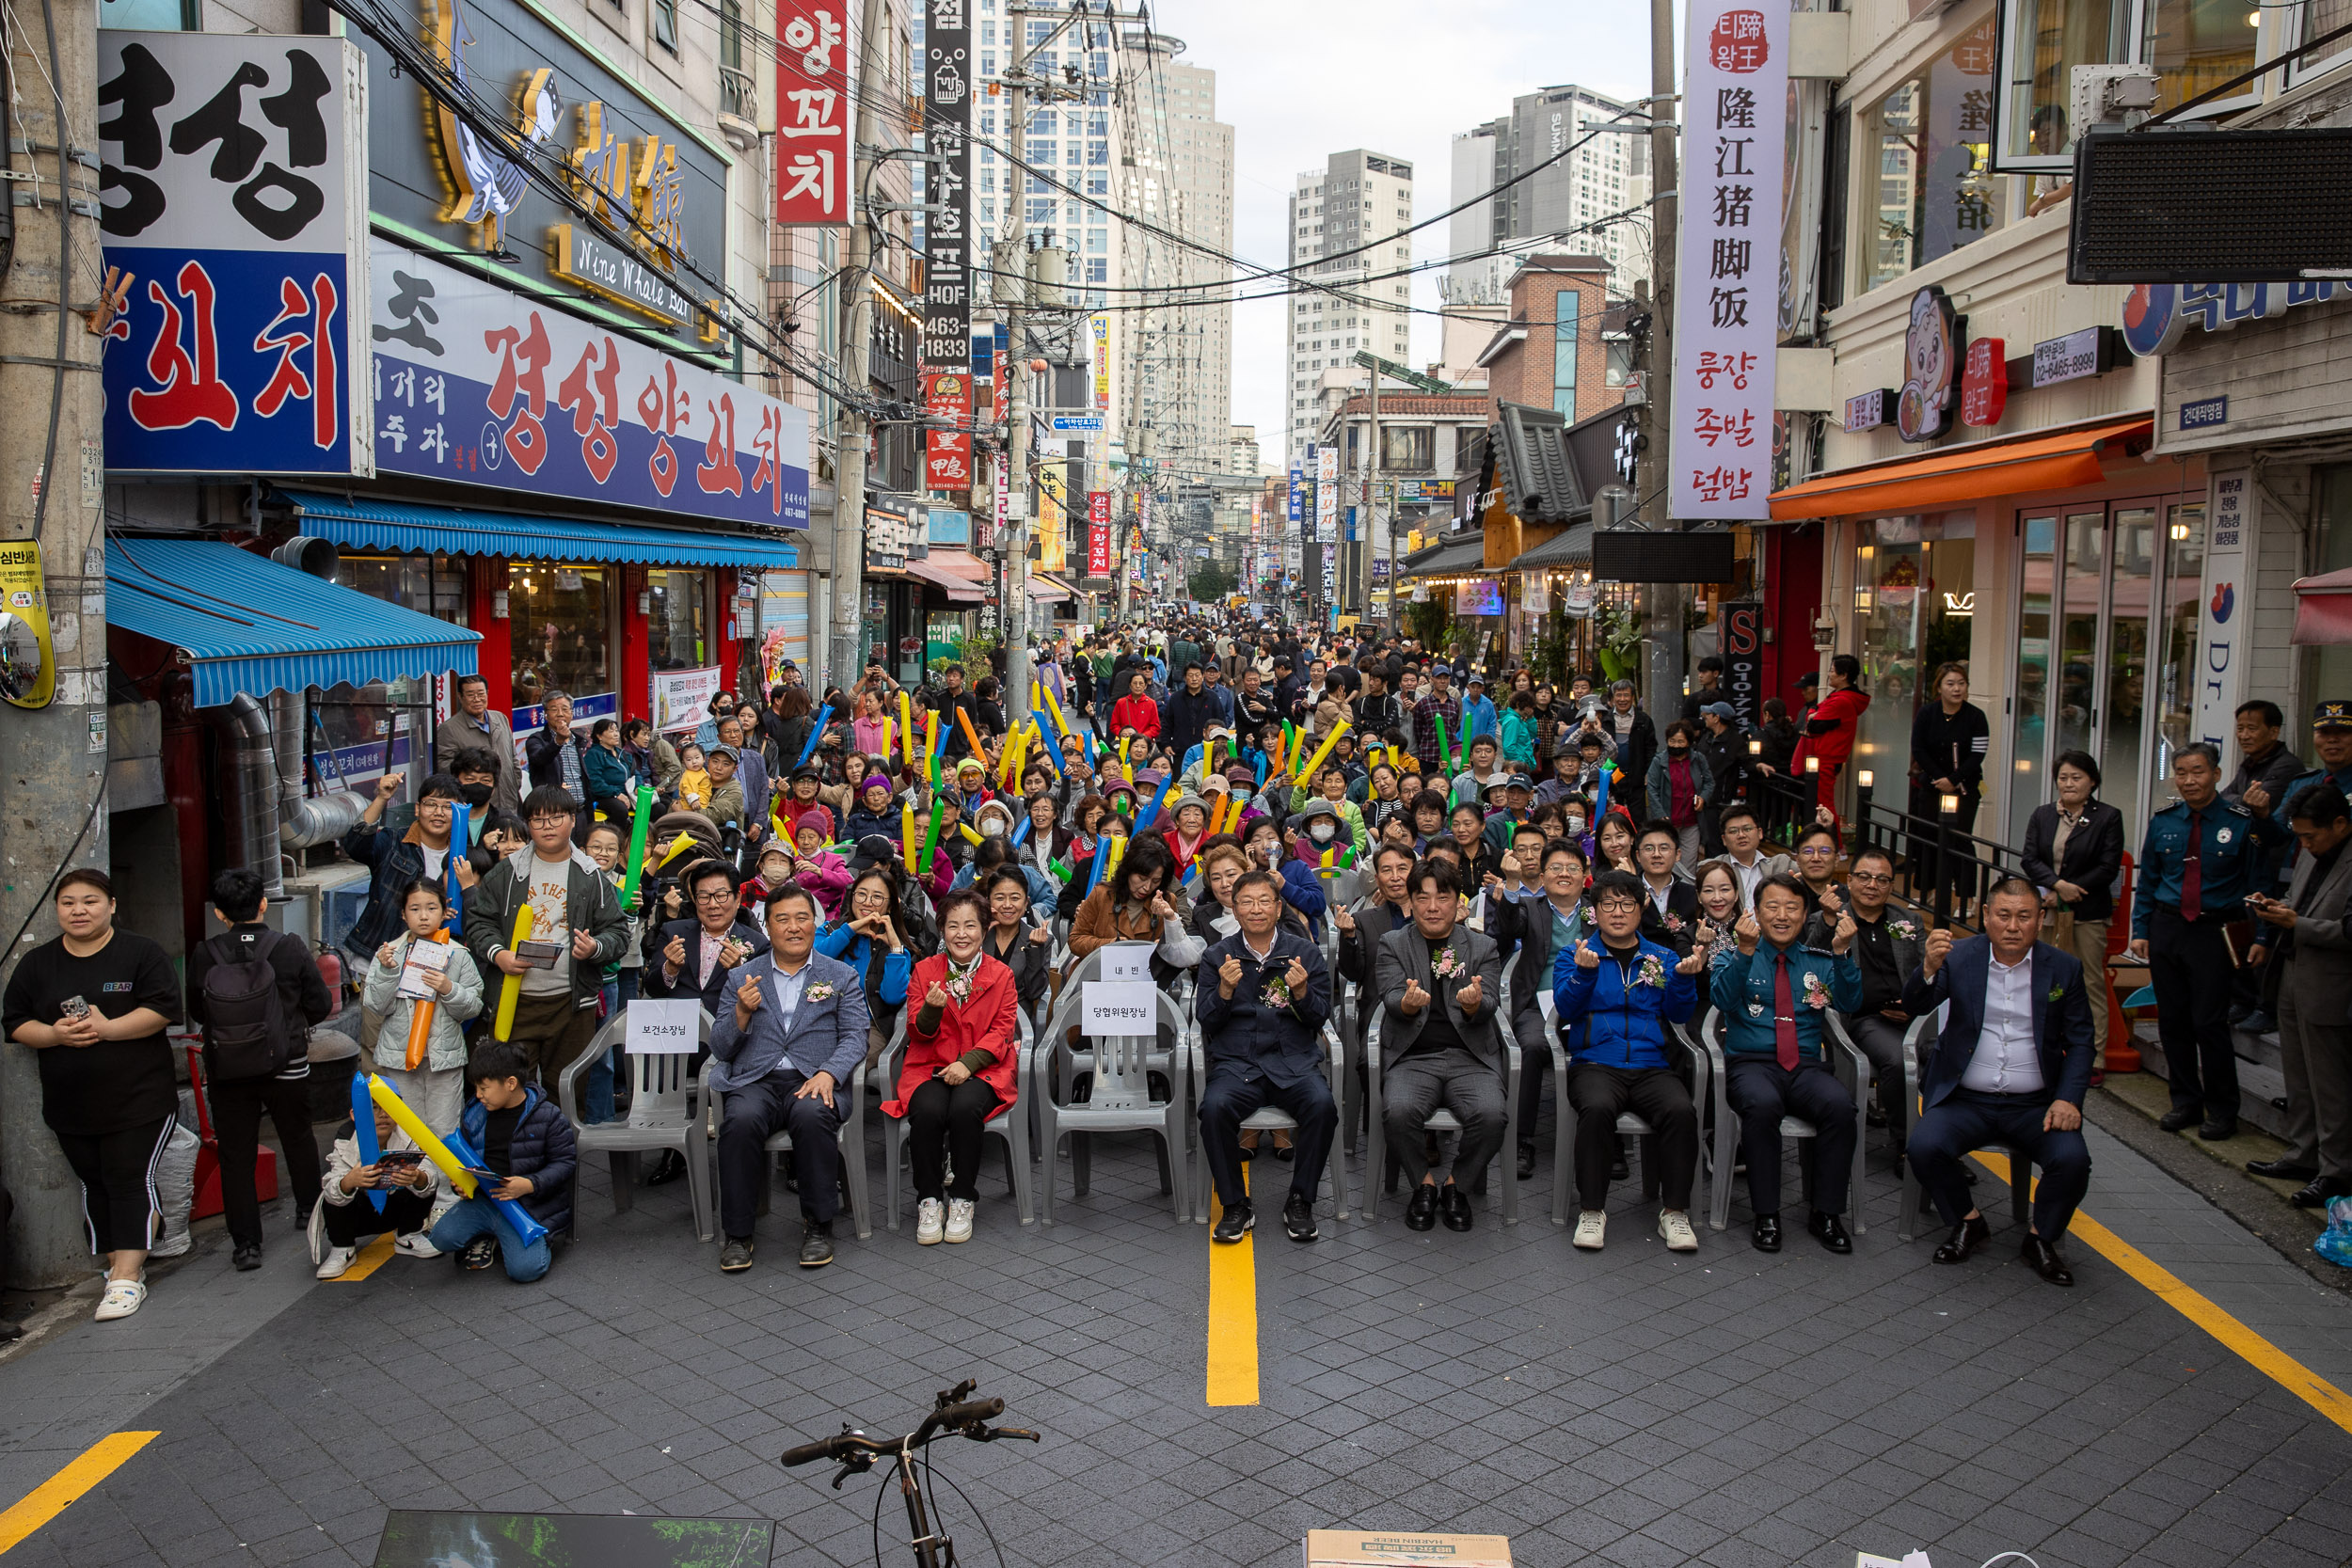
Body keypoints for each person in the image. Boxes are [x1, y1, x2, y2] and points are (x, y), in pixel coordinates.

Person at [3, 871, 182, 1321]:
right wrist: (53, 1034)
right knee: (95, 1183)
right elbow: (14, 1021)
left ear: (112, 905)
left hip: (139, 1098)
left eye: (89, 901)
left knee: (128, 1178)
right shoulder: (38, 964)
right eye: (68, 903)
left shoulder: (141, 952)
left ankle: (125, 1278)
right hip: (70, 1104)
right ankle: (119, 1264)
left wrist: (107, 1028)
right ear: (57, 909)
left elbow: (162, 1010)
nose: (78, 910)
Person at [1902, 879, 2097, 1287]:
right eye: (2003, 915)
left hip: (2034, 1104)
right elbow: (1915, 1006)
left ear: (2040, 920)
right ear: (1986, 917)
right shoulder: (1961, 958)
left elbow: (2081, 1042)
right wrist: (1927, 969)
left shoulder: (2064, 968)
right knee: (1923, 1147)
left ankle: (2041, 1238)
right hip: (1966, 1098)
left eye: (2024, 916)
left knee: (2073, 1161)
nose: (2013, 926)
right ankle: (1968, 1221)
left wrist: (2068, 1099)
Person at [709, 884, 871, 1271]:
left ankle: (819, 1226)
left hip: (814, 1079)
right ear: (768, 927)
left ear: (815, 924)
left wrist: (829, 1073)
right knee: (739, 1121)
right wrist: (741, 1016)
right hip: (756, 1079)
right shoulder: (742, 978)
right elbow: (719, 1045)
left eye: (802, 918)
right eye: (783, 919)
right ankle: (737, 1234)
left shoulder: (840, 975)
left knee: (812, 1116)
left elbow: (856, 1035)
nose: (794, 927)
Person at [2129, 742, 2283, 1140]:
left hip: (2214, 932)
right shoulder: (2164, 820)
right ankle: (2184, 1102)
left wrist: (2262, 935)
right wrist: (2140, 929)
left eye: (2197, 771)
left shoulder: (2240, 819)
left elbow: (2259, 885)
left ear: (2216, 775)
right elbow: (2148, 881)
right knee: (2173, 1021)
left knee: (2209, 1023)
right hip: (2167, 929)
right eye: (2181, 772)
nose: (2189, 780)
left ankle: (2222, 1110)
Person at [183, 868, 333, 1274]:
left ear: (219, 913)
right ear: (263, 904)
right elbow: (320, 1004)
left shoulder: (205, 953)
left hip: (228, 1070)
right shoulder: (288, 947)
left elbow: (198, 1012)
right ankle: (308, 1210)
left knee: (236, 1156)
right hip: (287, 1063)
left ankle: (246, 1245)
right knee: (298, 1137)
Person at [1553, 870, 1707, 1252]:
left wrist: (1685, 980)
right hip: (1596, 1063)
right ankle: (1592, 1210)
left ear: (1641, 910)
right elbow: (1565, 1007)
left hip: (1651, 1064)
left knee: (1680, 1110)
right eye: (1608, 904)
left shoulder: (1664, 957)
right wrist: (1585, 975)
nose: (1617, 912)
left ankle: (1674, 1212)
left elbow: (1679, 1012)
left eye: (1627, 904)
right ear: (1596, 911)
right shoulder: (1574, 954)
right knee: (1597, 1107)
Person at [1711, 874, 1865, 1253]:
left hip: (1806, 1067)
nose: (1782, 915)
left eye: (1792, 907)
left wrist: (1843, 953)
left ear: (1805, 915)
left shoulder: (1820, 961)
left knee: (1841, 1107)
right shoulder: (1734, 953)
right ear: (1756, 913)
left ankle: (1826, 1213)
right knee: (1762, 1106)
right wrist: (1745, 952)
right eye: (1772, 907)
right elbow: (1723, 999)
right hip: (1751, 1064)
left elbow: (1849, 1003)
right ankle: (1767, 1214)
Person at [1198, 869, 1339, 1244]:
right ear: (1234, 907)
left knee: (1322, 1105)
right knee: (1214, 1108)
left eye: (1264, 901)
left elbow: (1319, 1016)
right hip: (1238, 1064)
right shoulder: (1217, 955)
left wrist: (1303, 992)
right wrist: (1225, 990)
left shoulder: (1305, 953)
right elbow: (1207, 1020)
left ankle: (1301, 1199)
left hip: (1292, 1061)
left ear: (1279, 908)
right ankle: (1234, 1204)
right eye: (1246, 901)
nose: (1255, 909)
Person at [462, 786, 630, 1093]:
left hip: (572, 1006)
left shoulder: (590, 875)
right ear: (528, 824)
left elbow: (618, 933)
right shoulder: (506, 873)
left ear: (572, 820)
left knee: (568, 1092)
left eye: (556, 818)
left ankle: (566, 1143)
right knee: (510, 1092)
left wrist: (594, 948)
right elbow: (478, 922)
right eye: (538, 820)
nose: (548, 826)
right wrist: (499, 954)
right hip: (515, 1004)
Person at [1375, 858, 1508, 1231]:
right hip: (1413, 1056)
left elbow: (1490, 1002)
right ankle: (1424, 1184)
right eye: (1423, 898)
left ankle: (1457, 1185)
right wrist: (1406, 1003)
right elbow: (1390, 996)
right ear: (1412, 903)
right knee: (1398, 1112)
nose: (1433, 907)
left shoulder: (1482, 946)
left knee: (1492, 1115)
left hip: (1470, 1057)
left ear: (1456, 901)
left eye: (1442, 897)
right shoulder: (1394, 943)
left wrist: (1472, 1005)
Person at [885, 891, 1022, 1244]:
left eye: (970, 926)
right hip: (930, 1065)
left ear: (984, 929)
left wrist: (968, 1064)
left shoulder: (1002, 974)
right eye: (952, 926)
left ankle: (962, 1196)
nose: (961, 934)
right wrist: (931, 1009)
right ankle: (928, 1199)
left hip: (984, 1068)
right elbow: (917, 1030)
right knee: (928, 1110)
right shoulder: (925, 971)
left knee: (964, 1108)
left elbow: (1002, 1030)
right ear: (942, 929)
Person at [2244, 784, 2352, 1208]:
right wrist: (2276, 907)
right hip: (2290, 972)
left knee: (2330, 1085)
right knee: (2298, 1075)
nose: (2304, 844)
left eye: (2311, 836)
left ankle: (2336, 1171)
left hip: (2332, 983)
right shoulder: (2310, 850)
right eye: (2300, 836)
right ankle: (2302, 1153)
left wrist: (2295, 924)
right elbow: (2298, 899)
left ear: (2340, 824)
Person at [425, 1040, 577, 1281]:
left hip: (527, 1206)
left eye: (484, 1088)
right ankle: (490, 1234)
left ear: (511, 1083)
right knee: (440, 1238)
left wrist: (529, 1184)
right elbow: (463, 1159)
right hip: (485, 1200)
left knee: (526, 1271)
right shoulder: (474, 1112)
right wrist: (462, 1184)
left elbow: (566, 1163)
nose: (478, 1095)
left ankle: (520, 1239)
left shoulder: (548, 1116)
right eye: (476, 1087)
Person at [2020, 751, 2125, 1073]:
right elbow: (2030, 859)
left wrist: (2068, 889)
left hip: (2086, 911)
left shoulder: (2108, 816)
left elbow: (2108, 866)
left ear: (2092, 781)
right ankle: (2044, 1049)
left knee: (2089, 981)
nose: (2068, 784)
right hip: (2047, 910)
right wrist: (2054, 886)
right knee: (2043, 978)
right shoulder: (2043, 814)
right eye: (2063, 778)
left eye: (2076, 777)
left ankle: (2092, 1059)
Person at [1493, 839, 1590, 1181]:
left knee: (1600, 1044)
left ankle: (1609, 1142)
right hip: (1538, 1003)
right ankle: (1522, 1141)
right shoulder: (1531, 907)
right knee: (1532, 1046)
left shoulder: (1597, 911)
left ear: (1585, 874)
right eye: (1556, 868)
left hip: (1590, 1003)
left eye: (1572, 868)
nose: (1564, 874)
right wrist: (1513, 884)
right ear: (1544, 874)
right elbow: (1508, 927)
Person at [1824, 847, 1930, 1151]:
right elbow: (1813, 956)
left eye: (1882, 879)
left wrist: (1913, 1006)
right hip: (1865, 1018)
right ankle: (1909, 1146)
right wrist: (1828, 924)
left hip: (1912, 1015)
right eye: (1865, 877)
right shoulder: (1833, 918)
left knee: (1948, 1056)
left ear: (1891, 886)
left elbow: (1926, 971)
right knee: (1899, 1061)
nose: (1873, 885)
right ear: (1851, 880)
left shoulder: (1908, 921)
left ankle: (1940, 1140)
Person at [361, 879, 485, 1136]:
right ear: (403, 915)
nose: (424, 916)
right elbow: (376, 1005)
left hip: (444, 1056)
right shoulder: (389, 953)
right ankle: (413, 1177)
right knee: (407, 1128)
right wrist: (387, 972)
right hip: (399, 1054)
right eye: (415, 909)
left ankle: (438, 1178)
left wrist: (449, 988)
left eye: (431, 908)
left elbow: (473, 1007)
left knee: (445, 1129)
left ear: (444, 911)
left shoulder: (458, 954)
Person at [342, 770, 467, 965]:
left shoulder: (463, 856)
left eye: (448, 807)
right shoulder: (393, 841)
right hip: (380, 958)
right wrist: (382, 797)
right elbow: (355, 845)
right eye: (431, 804)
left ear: (459, 812)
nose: (439, 813)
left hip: (433, 966)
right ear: (417, 809)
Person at [313, 1099, 443, 1278]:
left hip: (394, 1208)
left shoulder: (409, 1132)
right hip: (359, 1214)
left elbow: (430, 1180)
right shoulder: (346, 1137)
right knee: (334, 1190)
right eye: (374, 1108)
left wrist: (418, 1177)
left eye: (388, 1108)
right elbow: (331, 1191)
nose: (383, 1115)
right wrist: (349, 1181)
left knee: (426, 1179)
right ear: (354, 1114)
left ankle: (408, 1235)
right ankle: (342, 1248)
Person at [1909, 662, 1990, 914]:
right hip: (1932, 786)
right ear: (1940, 687)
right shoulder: (1927, 713)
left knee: (1960, 841)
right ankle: (1927, 892)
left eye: (1961, 684)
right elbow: (1919, 748)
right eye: (1950, 684)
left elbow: (1978, 754)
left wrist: (1954, 779)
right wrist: (1939, 777)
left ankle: (1967, 900)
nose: (1957, 689)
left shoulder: (1976, 716)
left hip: (1964, 788)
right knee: (1928, 836)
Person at [645, 860, 769, 1017]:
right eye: (704, 897)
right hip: (676, 1027)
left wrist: (738, 971)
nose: (712, 905)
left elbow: (763, 1001)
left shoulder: (758, 944)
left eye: (721, 896)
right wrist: (670, 969)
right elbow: (651, 989)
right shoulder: (673, 933)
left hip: (728, 1028)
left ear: (737, 899)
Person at [817, 868, 915, 1063]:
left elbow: (893, 997)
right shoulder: (830, 931)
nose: (867, 902)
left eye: (877, 897)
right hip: (823, 1021)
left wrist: (895, 947)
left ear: (889, 907)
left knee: (844, 1062)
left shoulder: (894, 946)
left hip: (868, 1026)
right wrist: (850, 930)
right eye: (861, 894)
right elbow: (814, 962)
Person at [1791, 656, 1869, 824]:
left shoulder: (1841, 701)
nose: (1829, 674)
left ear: (1843, 675)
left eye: (1832, 670)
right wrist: (1813, 715)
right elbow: (1812, 715)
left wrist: (1813, 716)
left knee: (1824, 805)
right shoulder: (1839, 697)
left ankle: (1835, 845)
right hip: (1825, 757)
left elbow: (1813, 726)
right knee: (1820, 804)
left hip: (1827, 757)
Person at [435, 673, 523, 816]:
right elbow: (445, 768)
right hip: (475, 808)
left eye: (481, 693)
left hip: (509, 800)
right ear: (460, 697)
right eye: (470, 694)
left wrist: (515, 781)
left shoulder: (500, 718)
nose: (477, 699)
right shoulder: (449, 729)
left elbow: (512, 756)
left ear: (487, 694)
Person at [980, 866, 1055, 1018]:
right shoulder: (976, 934)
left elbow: (1034, 992)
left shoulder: (1038, 939)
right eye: (1000, 898)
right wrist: (979, 935)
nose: (1007, 905)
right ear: (989, 901)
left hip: (1014, 1021)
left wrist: (1034, 948)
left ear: (1026, 902)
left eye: (1015, 898)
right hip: (975, 1016)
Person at [1646, 721, 1711, 865]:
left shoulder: (1698, 759)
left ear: (1688, 742)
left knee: (1689, 862)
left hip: (1691, 820)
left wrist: (1703, 798)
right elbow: (1652, 788)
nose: (1676, 745)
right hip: (1668, 820)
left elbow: (1709, 782)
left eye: (1680, 741)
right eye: (1672, 741)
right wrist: (1659, 814)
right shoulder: (1659, 761)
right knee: (1667, 860)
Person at [1632, 822, 1700, 951]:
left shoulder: (1691, 894)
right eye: (1649, 849)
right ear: (1638, 856)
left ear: (1678, 854)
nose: (1656, 854)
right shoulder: (1629, 893)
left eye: (1664, 848)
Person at [1715, 803, 1794, 911]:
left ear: (1760, 833)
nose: (1741, 835)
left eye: (1747, 829)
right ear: (1724, 839)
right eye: (1733, 831)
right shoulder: (1714, 868)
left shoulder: (1782, 864)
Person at [1111, 669, 1161, 738]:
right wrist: (1122, 733)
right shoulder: (1121, 702)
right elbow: (1114, 725)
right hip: (1125, 742)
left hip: (1144, 742)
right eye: (1135, 683)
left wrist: (1143, 737)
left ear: (1145, 686)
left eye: (1141, 683)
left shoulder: (1151, 703)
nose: (1137, 686)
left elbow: (1155, 727)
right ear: (1130, 685)